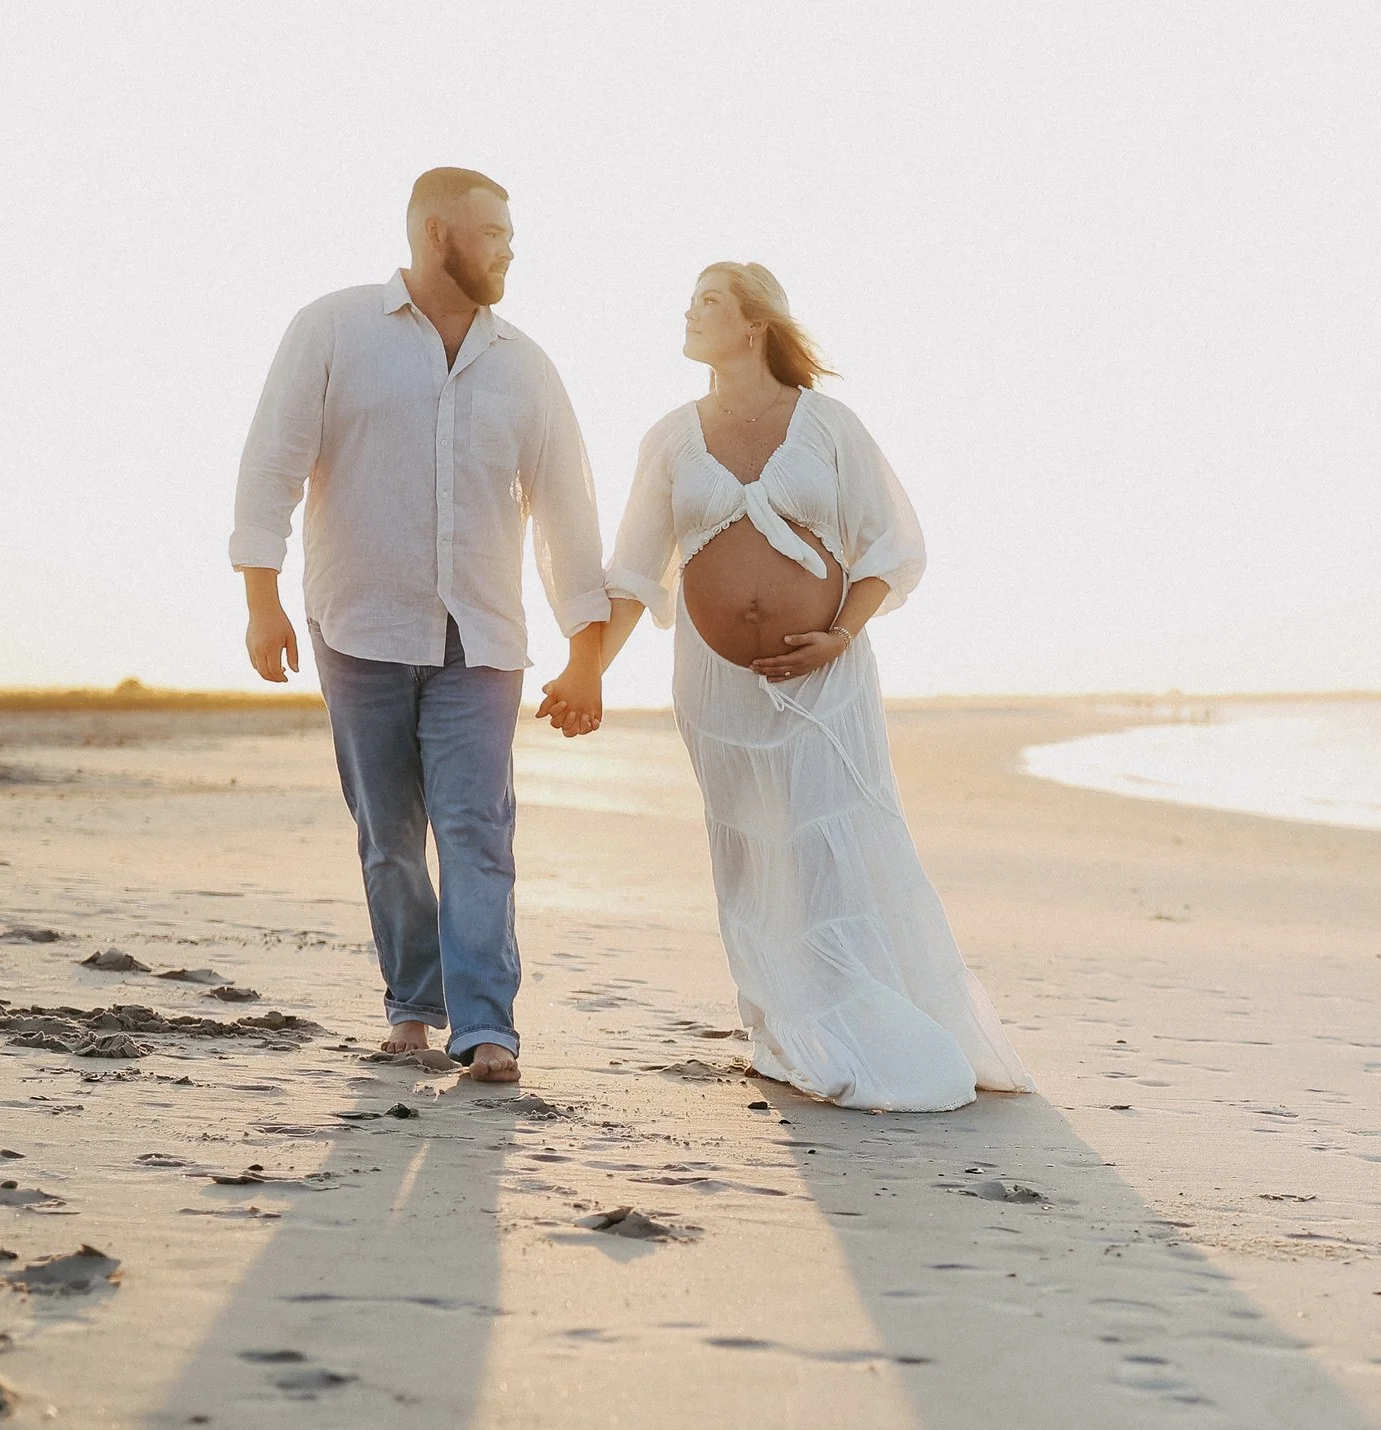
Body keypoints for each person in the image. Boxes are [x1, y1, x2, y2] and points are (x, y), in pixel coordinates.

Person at [536, 262, 1030, 1111]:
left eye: (708, 302)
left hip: (825, 684)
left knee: (828, 847)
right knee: (756, 856)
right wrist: (587, 669)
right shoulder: (670, 437)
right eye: (689, 299)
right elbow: (637, 573)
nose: (688, 313)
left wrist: (842, 634)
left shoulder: (829, 425)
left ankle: (860, 1011)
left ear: (755, 323)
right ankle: (788, 1020)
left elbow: (888, 549)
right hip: (719, 697)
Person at [229, 167, 609, 1084]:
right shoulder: (333, 329)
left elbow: (567, 513)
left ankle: (486, 1028)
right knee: (390, 834)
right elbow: (271, 463)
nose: (509, 247)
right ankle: (412, 1005)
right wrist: (261, 599)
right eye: (493, 231)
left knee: (477, 829)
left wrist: (586, 651)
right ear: (437, 233)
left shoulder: (526, 363)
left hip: (481, 640)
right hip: (357, 626)